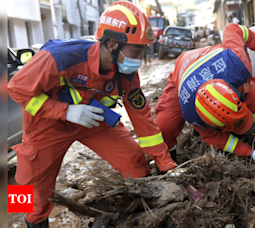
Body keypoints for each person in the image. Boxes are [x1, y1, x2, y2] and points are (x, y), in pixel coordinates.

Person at [7, 1, 176, 227]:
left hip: (93, 119)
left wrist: (166, 164)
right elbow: (16, 89)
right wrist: (65, 111)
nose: (141, 56)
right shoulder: (59, 57)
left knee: (134, 160)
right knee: (27, 189)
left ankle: (136, 216)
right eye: (137, 50)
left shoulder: (126, 72)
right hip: (46, 126)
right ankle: (20, 222)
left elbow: (142, 117)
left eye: (143, 50)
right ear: (113, 44)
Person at [155, 23, 255, 167]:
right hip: (182, 73)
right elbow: (216, 138)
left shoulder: (237, 60)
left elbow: (232, 28)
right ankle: (168, 161)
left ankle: (242, 133)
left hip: (214, 61)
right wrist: (251, 153)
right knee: (164, 127)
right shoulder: (192, 113)